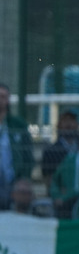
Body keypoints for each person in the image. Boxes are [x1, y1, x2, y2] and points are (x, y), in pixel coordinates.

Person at [0, 82, 33, 211]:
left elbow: (28, 155)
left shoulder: (18, 125)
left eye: (3, 96)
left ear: (8, 100)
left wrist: (24, 178)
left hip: (13, 180)